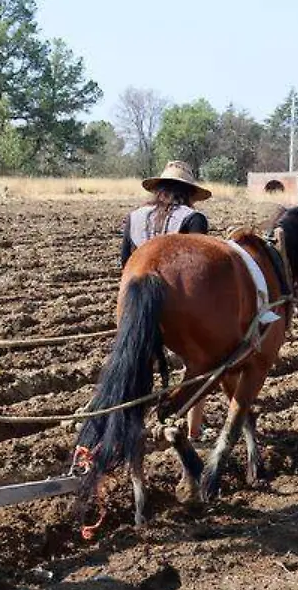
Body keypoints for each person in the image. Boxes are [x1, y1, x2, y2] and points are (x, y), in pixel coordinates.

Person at [119, 160, 212, 442]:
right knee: (200, 361)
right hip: (177, 302)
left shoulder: (134, 217)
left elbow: (126, 263)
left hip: (135, 300)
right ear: (187, 193)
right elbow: (198, 272)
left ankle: (128, 422)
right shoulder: (192, 219)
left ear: (159, 189)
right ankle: (194, 428)